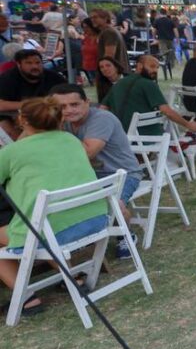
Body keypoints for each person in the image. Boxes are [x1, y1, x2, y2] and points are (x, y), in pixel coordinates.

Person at [0, 97, 109, 316]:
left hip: (57, 231)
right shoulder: (70, 139)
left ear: (22, 121)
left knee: (36, 229)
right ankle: (74, 277)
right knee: (43, 224)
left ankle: (27, 299)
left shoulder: (12, 152)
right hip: (96, 220)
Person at [51, 84, 140, 258]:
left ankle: (125, 235)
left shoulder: (101, 118)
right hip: (86, 176)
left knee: (114, 205)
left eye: (74, 104)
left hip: (119, 174)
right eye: (61, 107)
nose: (68, 110)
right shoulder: (62, 122)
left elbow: (88, 153)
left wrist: (56, 131)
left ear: (87, 102)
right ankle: (78, 240)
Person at [102, 55, 196, 136]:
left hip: (121, 135)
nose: (155, 70)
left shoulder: (118, 83)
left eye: (157, 67)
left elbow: (103, 109)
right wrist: (188, 124)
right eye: (152, 66)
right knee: (169, 125)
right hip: (147, 135)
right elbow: (167, 111)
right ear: (139, 66)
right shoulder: (148, 84)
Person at [0, 51, 67, 130]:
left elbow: (68, 95)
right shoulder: (7, 79)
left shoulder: (54, 77)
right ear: (19, 64)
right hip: (16, 116)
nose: (35, 66)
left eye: (38, 63)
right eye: (29, 63)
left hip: (48, 114)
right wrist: (34, 105)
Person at [90, 8, 129, 102]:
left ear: (105, 18)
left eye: (95, 17)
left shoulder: (109, 32)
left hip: (113, 76)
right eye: (91, 18)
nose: (93, 20)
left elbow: (109, 57)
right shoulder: (107, 32)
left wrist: (104, 72)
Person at [80, 18, 99, 84]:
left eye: (87, 27)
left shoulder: (99, 37)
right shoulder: (85, 38)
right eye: (83, 27)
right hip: (88, 66)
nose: (85, 29)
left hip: (98, 66)